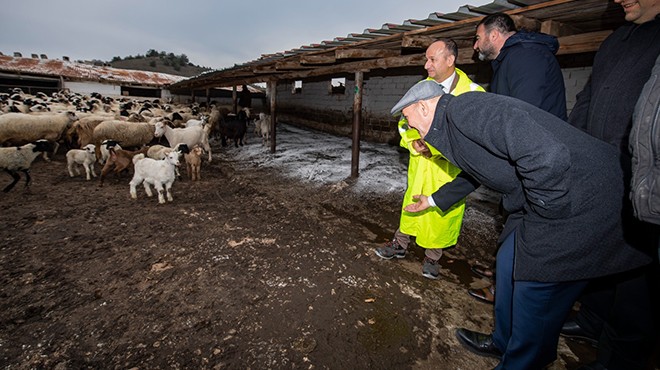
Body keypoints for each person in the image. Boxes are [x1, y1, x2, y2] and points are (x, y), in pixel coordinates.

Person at [390, 79, 651, 369]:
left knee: (535, 288)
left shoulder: (465, 108)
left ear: (424, 107)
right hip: (543, 197)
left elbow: (547, 155)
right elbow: (478, 170)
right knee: (507, 262)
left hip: (583, 197)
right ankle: (505, 341)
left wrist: (549, 216)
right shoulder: (454, 124)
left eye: (407, 117)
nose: (408, 124)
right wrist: (434, 200)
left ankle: (522, 360)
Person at [559, 1, 660, 369]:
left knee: (637, 274)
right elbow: (588, 97)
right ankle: (592, 320)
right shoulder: (617, 39)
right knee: (601, 250)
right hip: (603, 168)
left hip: (645, 178)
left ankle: (620, 356)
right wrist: (575, 147)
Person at [467, 11, 569, 304]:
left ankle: (508, 285)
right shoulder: (510, 60)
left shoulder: (526, 58)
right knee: (510, 215)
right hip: (521, 160)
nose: (476, 46)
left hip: (535, 161)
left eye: (478, 38)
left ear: (494, 35)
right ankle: (502, 269)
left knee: (525, 224)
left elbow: (525, 120)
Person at [375, 39, 484, 279]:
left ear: (450, 59)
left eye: (432, 59)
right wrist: (413, 142)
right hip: (420, 167)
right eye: (426, 59)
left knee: (442, 212)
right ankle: (400, 244)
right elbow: (404, 123)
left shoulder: (472, 94)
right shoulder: (421, 88)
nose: (427, 65)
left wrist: (433, 148)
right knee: (411, 206)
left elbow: (473, 140)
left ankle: (433, 257)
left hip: (448, 172)